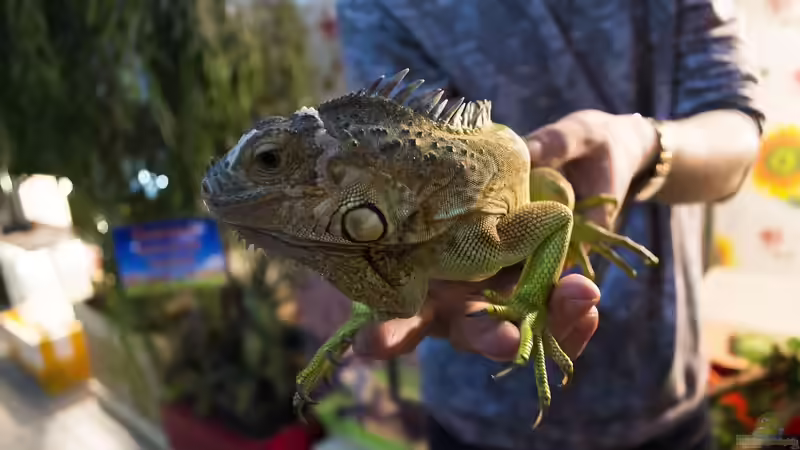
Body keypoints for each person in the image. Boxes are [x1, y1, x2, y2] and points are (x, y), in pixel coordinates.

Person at [330, 1, 764, 449]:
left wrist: (644, 145)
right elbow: (390, 167)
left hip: (660, 386)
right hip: (473, 402)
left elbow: (735, 126)